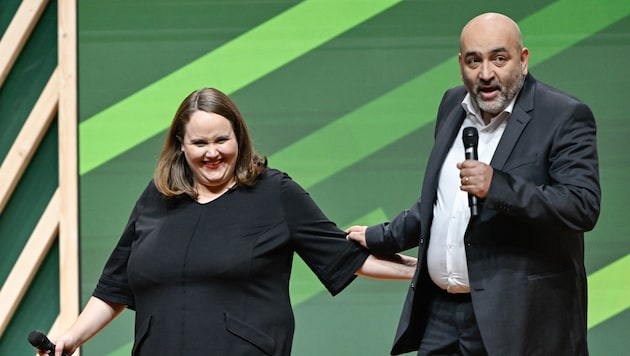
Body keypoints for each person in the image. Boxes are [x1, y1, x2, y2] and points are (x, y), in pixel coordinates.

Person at [39, 88, 416, 356]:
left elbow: (346, 258)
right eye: (200, 144)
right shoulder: (158, 197)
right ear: (181, 146)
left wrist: (435, 270)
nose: (213, 153)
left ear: (240, 138)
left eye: (222, 140)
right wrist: (70, 339)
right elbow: (114, 288)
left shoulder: (274, 192)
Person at [346, 12, 600, 356]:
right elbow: (443, 201)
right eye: (473, 61)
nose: (485, 74)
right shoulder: (453, 104)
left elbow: (581, 206)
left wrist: (498, 186)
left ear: (523, 60)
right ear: (460, 63)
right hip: (442, 317)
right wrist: (385, 235)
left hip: (519, 321)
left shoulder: (563, 115)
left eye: (499, 58)